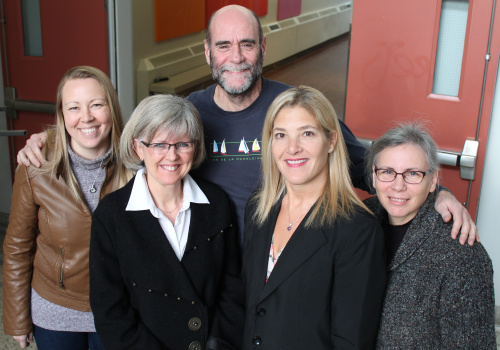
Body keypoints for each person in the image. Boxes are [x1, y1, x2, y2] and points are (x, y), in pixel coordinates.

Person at [16, 5, 476, 245]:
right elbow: (129, 143)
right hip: (205, 265)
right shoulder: (187, 112)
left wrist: (436, 193)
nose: (235, 57)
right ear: (207, 53)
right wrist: (54, 137)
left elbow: (364, 166)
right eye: (223, 46)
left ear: (262, 48)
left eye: (246, 45)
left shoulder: (297, 110)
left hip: (284, 262)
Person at [89, 94, 244, 350]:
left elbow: (232, 290)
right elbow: (110, 311)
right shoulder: (111, 215)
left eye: (183, 144)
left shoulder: (216, 203)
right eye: (159, 145)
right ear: (138, 147)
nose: (172, 156)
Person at [242, 86, 386, 349]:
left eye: (307, 134)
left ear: (331, 141)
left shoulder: (357, 230)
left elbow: (350, 341)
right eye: (281, 135)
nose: (292, 148)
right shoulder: (258, 208)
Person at [3, 66, 132, 349]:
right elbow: (17, 247)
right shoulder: (36, 166)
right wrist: (16, 319)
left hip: (118, 310)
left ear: (112, 107)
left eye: (97, 105)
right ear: (62, 115)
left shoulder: (137, 165)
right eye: (74, 107)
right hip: (54, 312)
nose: (86, 117)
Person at [363, 123, 495, 348]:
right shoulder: (359, 221)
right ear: (374, 177)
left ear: (433, 181)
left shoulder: (461, 254)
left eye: (412, 174)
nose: (398, 185)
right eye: (387, 172)